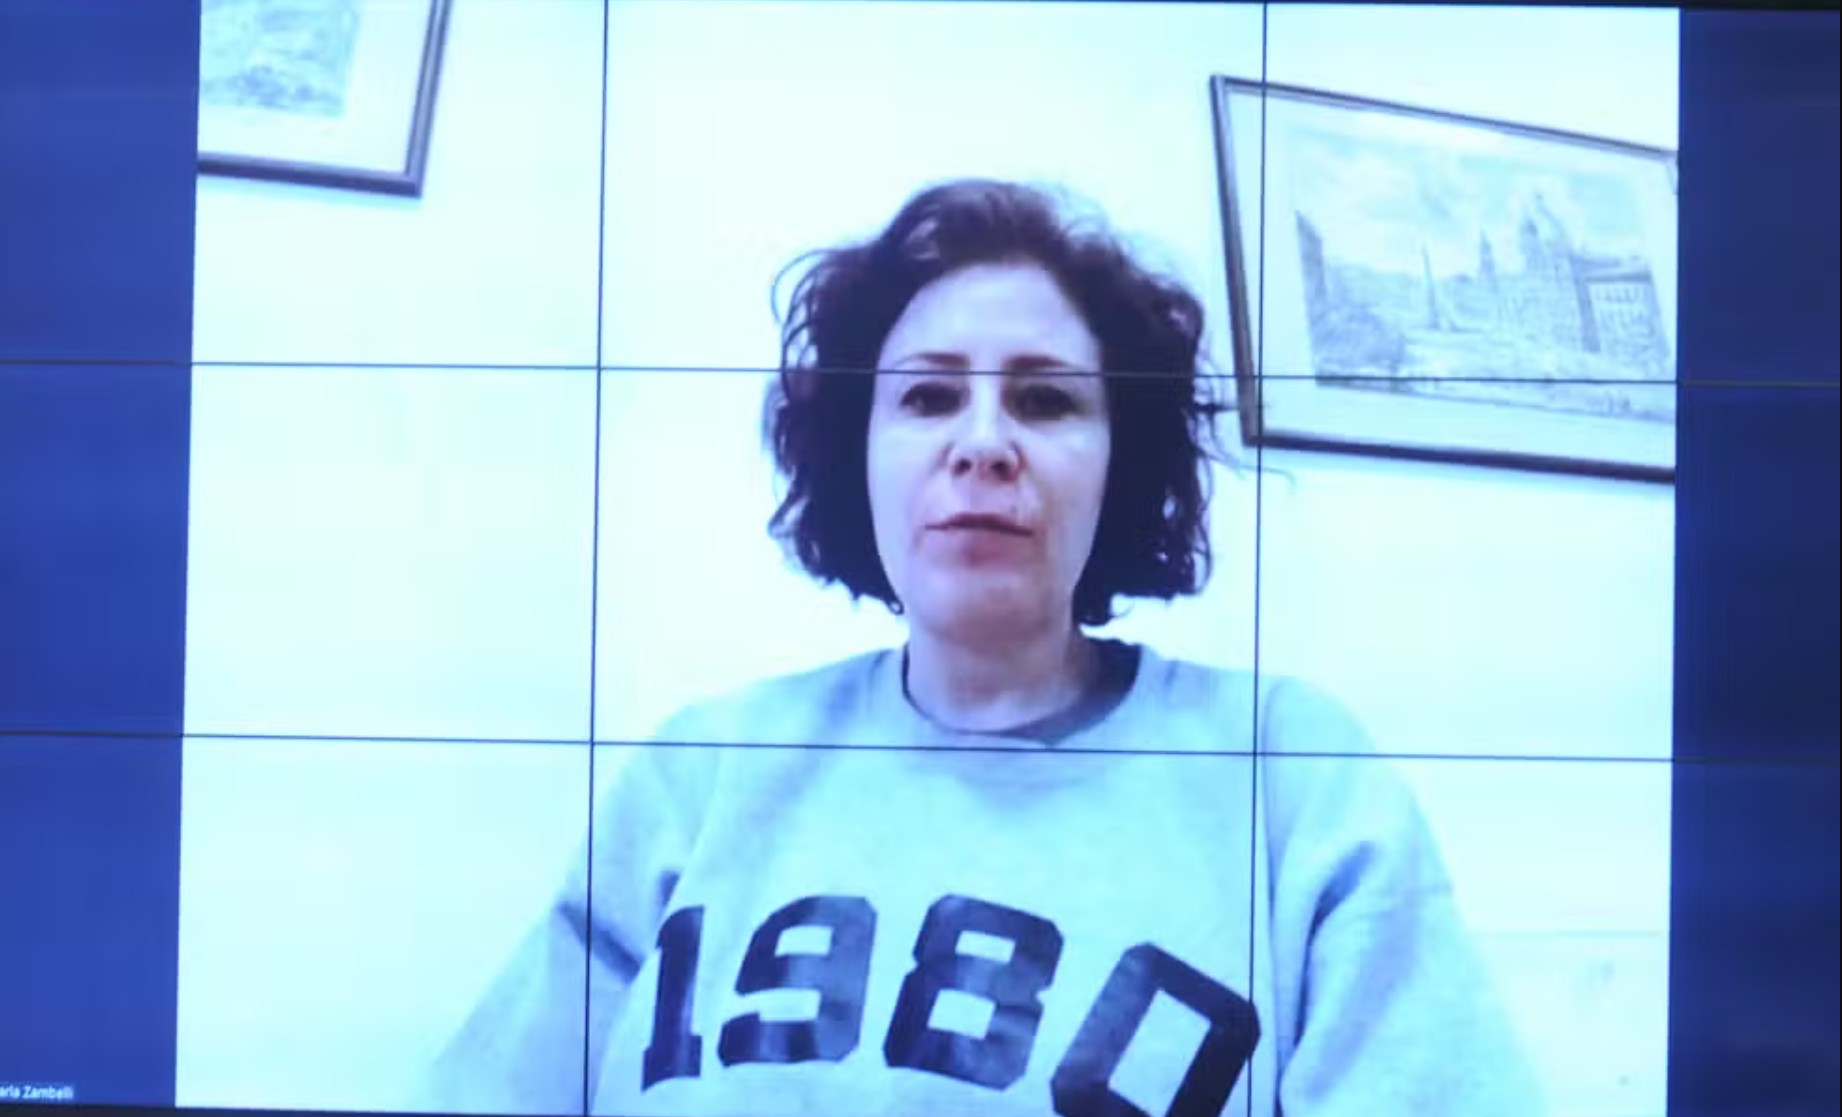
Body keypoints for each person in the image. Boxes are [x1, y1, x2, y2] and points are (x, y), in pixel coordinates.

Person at [422, 179, 1543, 1117]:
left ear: (1122, 463)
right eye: (928, 396)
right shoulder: (703, 769)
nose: (984, 443)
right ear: (857, 453)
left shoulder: (1293, 774)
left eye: (1046, 400)